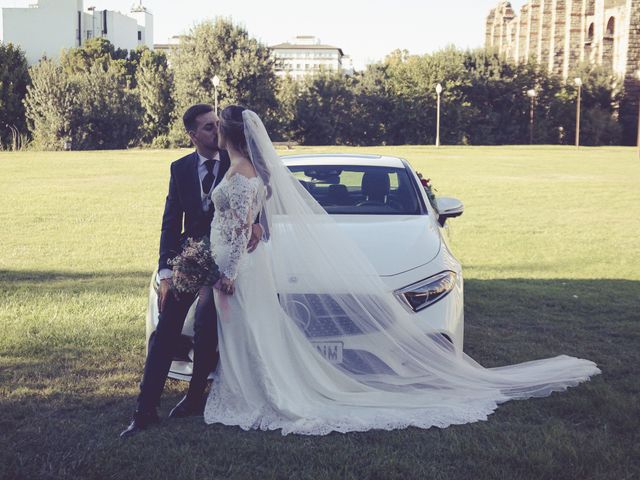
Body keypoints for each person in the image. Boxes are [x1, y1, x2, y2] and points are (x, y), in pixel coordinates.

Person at [202, 105, 600, 436]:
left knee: (248, 331)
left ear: (231, 134)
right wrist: (254, 228)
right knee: (250, 332)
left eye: (218, 128)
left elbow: (237, 230)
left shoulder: (241, 175)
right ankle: (252, 389)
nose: (213, 133)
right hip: (248, 264)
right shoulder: (245, 171)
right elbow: (250, 221)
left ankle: (253, 394)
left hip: (239, 267)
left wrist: (229, 272)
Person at [120, 104, 261, 438]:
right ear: (193, 134)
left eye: (217, 125)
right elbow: (170, 223)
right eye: (208, 127)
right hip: (191, 258)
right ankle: (144, 410)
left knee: (205, 324)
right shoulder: (179, 168)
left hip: (225, 257)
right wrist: (166, 272)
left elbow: (259, 199)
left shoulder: (236, 159)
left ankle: (195, 396)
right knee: (167, 327)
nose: (215, 131)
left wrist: (257, 226)